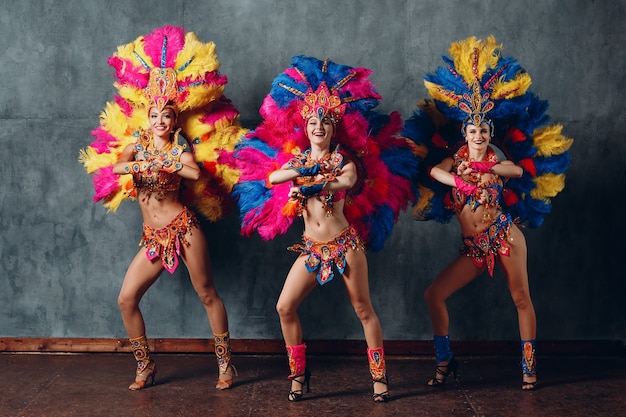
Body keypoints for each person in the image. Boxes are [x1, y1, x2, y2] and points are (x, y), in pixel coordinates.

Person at [226, 56, 418, 402]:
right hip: (312, 250)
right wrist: (301, 172)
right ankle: (299, 376)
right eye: (313, 122)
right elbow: (272, 177)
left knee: (363, 309)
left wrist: (316, 186)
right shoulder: (298, 161)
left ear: (333, 129)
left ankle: (379, 378)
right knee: (285, 307)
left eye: (325, 123)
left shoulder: (343, 160)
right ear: (306, 126)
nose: (319, 128)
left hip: (345, 245)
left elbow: (347, 180)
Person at [79, 26, 246, 391]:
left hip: (184, 229)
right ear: (147, 118)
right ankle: (145, 367)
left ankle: (226, 366)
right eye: (154, 115)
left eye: (166, 116)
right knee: (126, 299)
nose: (159, 120)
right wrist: (143, 164)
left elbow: (193, 170)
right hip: (153, 237)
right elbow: (118, 167)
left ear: (174, 121)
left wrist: (167, 162)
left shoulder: (179, 148)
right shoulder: (135, 147)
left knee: (207, 293)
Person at [403, 36, 572, 391]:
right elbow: (435, 172)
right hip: (475, 248)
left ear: (489, 134)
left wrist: (487, 172)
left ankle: (529, 366)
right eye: (472, 130)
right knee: (434, 295)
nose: (477, 135)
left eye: (483, 130)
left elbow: (517, 172)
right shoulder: (455, 160)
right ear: (463, 133)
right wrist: (462, 182)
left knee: (520, 298)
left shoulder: (497, 161)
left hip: (505, 237)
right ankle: (445, 361)